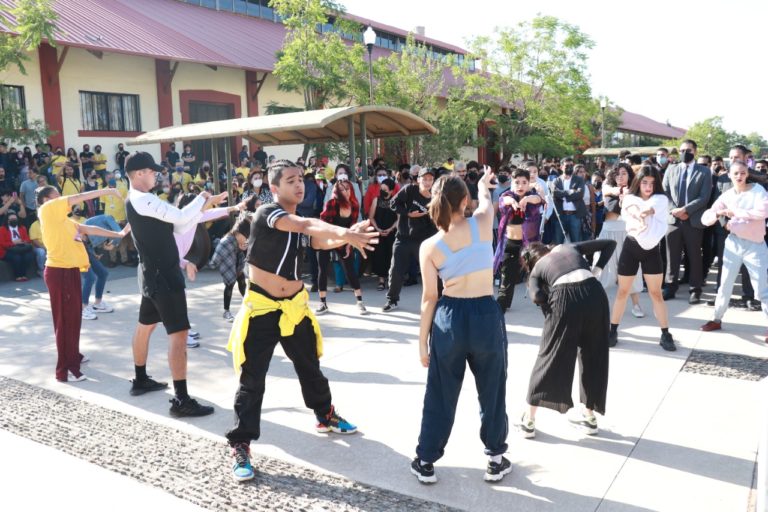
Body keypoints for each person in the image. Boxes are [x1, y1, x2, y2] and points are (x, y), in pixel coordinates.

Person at [225, 160, 377, 482]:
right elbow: (306, 225)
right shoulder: (268, 213)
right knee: (252, 380)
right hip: (263, 309)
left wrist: (345, 238)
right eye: (290, 180)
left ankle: (325, 415)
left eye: (301, 180)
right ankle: (241, 443)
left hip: (294, 307)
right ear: (274, 187)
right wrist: (345, 231)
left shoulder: (297, 222)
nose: (299, 185)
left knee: (310, 367)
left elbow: (317, 239)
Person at [410, 168, 511, 484]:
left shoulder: (429, 246)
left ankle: (426, 460)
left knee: (440, 392)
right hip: (484, 312)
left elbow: (429, 298)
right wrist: (483, 185)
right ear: (464, 200)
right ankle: (495, 457)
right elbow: (486, 200)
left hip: (449, 317)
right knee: (492, 390)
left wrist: (422, 342)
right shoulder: (482, 223)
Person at [124, 152, 219, 416]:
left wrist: (203, 207)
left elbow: (179, 227)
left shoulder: (141, 199)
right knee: (179, 335)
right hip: (163, 276)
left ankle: (141, 379)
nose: (156, 175)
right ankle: (181, 400)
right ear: (140, 173)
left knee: (145, 326)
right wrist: (201, 199)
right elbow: (179, 218)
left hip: (151, 274)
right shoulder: (143, 199)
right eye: (152, 171)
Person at [517, 238, 616, 439]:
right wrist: (596, 269)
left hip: (564, 298)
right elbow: (610, 244)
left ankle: (528, 419)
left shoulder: (537, 269)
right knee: (593, 354)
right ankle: (589, 417)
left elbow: (536, 296)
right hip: (595, 294)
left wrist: (551, 305)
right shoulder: (568, 247)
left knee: (548, 357)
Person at [37, 184, 128, 382]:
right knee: (64, 320)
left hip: (70, 271)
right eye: (57, 195)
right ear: (46, 200)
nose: (62, 198)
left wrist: (119, 234)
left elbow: (90, 228)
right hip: (58, 272)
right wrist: (106, 191)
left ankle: (73, 355)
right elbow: (78, 196)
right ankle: (65, 369)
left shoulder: (66, 221)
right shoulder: (47, 210)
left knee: (73, 318)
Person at [607, 165, 677, 351]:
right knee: (622, 292)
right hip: (631, 247)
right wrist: (636, 213)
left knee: (656, 294)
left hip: (652, 250)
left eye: (652, 183)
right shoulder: (630, 198)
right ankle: (612, 331)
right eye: (644, 182)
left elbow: (649, 210)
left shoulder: (661, 199)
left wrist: (641, 214)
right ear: (638, 182)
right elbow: (628, 206)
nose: (648, 186)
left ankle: (665, 333)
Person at [699, 161, 768, 341]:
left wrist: (734, 212)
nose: (739, 176)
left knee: (761, 290)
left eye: (743, 173)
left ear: (747, 174)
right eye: (736, 173)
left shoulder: (758, 190)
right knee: (725, 285)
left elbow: (762, 212)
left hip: (756, 246)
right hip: (734, 244)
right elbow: (705, 218)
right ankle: (716, 319)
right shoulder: (726, 195)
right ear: (729, 175)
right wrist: (716, 215)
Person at [661, 139, 712, 303]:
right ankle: (670, 287)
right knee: (672, 256)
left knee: (694, 256)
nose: (684, 153)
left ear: (695, 152)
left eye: (688, 150)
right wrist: (674, 210)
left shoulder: (704, 172)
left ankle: (695, 289)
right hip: (673, 220)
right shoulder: (671, 168)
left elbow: (704, 197)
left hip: (693, 220)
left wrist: (686, 210)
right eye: (682, 150)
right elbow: (664, 192)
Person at [383, 167, 437, 312]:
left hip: (424, 241)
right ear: (418, 179)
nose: (427, 182)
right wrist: (408, 214)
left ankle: (439, 300)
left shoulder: (435, 196)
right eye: (424, 179)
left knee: (432, 272)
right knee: (396, 270)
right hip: (403, 238)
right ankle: (392, 300)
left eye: (430, 179)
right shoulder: (409, 190)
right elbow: (393, 204)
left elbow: (436, 222)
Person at [597, 164, 645, 318]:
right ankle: (596, 306)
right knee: (602, 269)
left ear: (629, 175)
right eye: (617, 174)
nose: (620, 176)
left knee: (632, 271)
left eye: (624, 173)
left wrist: (629, 197)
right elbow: (609, 195)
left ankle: (636, 305)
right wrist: (622, 192)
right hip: (608, 233)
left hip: (628, 234)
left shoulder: (636, 192)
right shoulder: (607, 188)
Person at [316, 179, 369, 315]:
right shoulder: (331, 203)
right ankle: (322, 303)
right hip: (326, 237)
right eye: (342, 189)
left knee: (350, 268)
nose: (345, 191)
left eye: (347, 188)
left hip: (344, 238)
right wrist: (331, 241)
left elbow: (351, 227)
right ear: (337, 191)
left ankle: (360, 302)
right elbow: (324, 225)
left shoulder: (354, 205)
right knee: (322, 268)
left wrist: (348, 243)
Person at [494, 169, 542, 311]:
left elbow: (539, 200)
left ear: (528, 184)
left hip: (528, 245)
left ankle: (542, 298)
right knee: (507, 274)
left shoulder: (532, 197)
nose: (520, 186)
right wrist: (513, 202)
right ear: (512, 183)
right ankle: (503, 303)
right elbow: (503, 200)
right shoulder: (507, 195)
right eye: (517, 182)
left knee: (535, 271)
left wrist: (527, 199)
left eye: (524, 183)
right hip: (510, 243)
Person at [210, 217, 251, 322]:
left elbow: (247, 253)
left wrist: (243, 249)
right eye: (245, 236)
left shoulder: (240, 240)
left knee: (242, 282)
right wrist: (213, 264)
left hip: (237, 262)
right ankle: (226, 311)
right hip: (228, 263)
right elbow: (216, 257)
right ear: (237, 232)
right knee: (229, 285)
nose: (246, 238)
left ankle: (247, 305)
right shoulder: (226, 241)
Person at [369, 178, 398, 291]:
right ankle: (381, 280)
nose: (382, 191)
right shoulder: (376, 200)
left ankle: (391, 280)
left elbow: (399, 218)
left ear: (391, 191)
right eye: (381, 189)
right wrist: (378, 229)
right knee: (379, 256)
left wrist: (390, 229)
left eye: (385, 189)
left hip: (391, 233)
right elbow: (371, 217)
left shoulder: (395, 201)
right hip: (378, 232)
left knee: (391, 256)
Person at [549, 158, 587, 244]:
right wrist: (570, 192)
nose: (569, 167)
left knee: (576, 244)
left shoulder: (579, 179)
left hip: (575, 216)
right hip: (560, 216)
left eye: (571, 165)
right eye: (567, 166)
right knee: (558, 244)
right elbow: (554, 193)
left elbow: (580, 194)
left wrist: (563, 196)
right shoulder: (556, 181)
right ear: (561, 167)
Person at [0, 213, 35, 281]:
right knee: (17, 258)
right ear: (7, 220)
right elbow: (2, 243)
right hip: (7, 250)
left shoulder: (22, 228)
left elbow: (28, 239)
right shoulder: (2, 229)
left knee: (28, 256)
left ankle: (23, 274)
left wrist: (23, 241)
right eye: (12, 219)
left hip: (21, 248)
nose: (14, 220)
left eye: (15, 219)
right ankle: (18, 275)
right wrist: (13, 242)